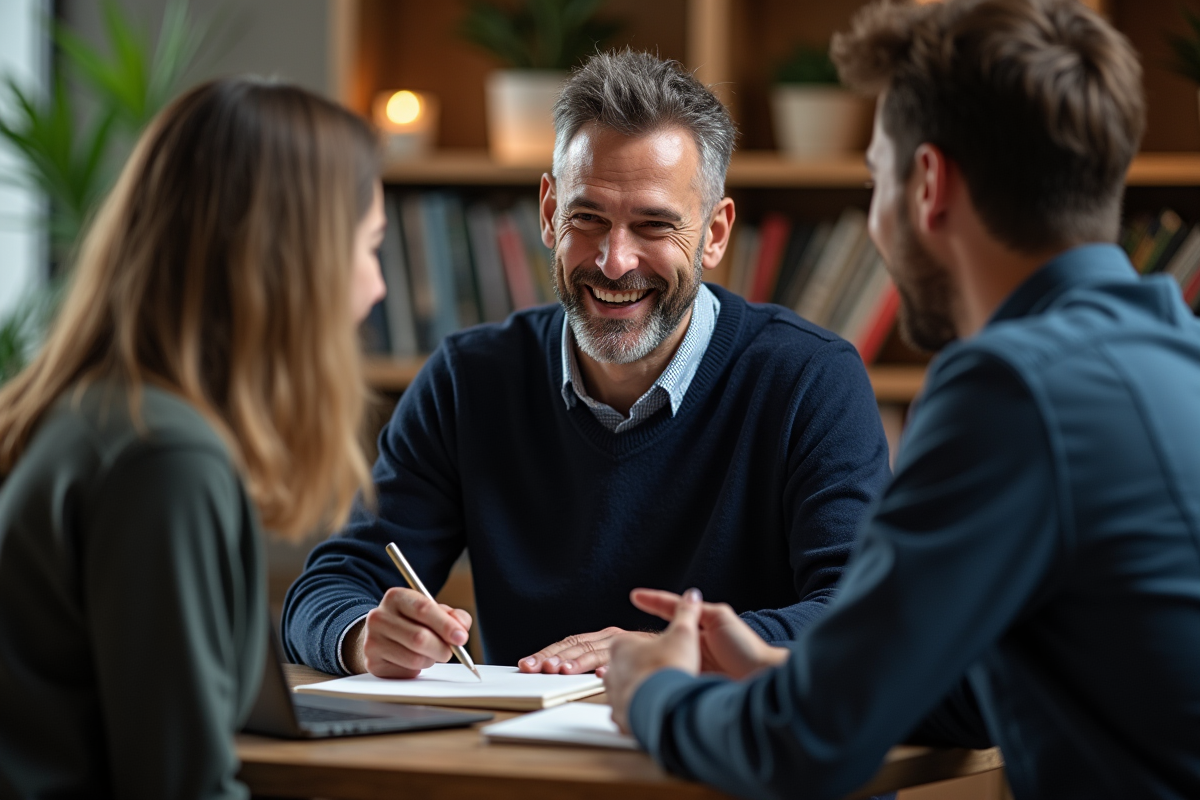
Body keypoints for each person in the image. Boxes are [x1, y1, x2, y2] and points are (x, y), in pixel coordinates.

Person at [604, 0, 1200, 797]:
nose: (874, 212)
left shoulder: (1014, 389)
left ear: (927, 183)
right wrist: (791, 667)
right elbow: (989, 683)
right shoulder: (1172, 352)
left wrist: (652, 694)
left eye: (875, 176)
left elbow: (804, 748)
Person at [282, 49, 892, 680]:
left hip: (731, 768)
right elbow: (329, 586)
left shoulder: (811, 380)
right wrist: (363, 635)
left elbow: (865, 612)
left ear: (715, 232)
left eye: (655, 226)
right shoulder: (470, 379)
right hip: (538, 768)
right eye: (588, 218)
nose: (613, 262)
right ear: (549, 212)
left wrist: (679, 651)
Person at [0, 78, 385, 799]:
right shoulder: (166, 462)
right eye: (368, 248)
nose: (377, 288)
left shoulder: (92, 416)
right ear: (289, 263)